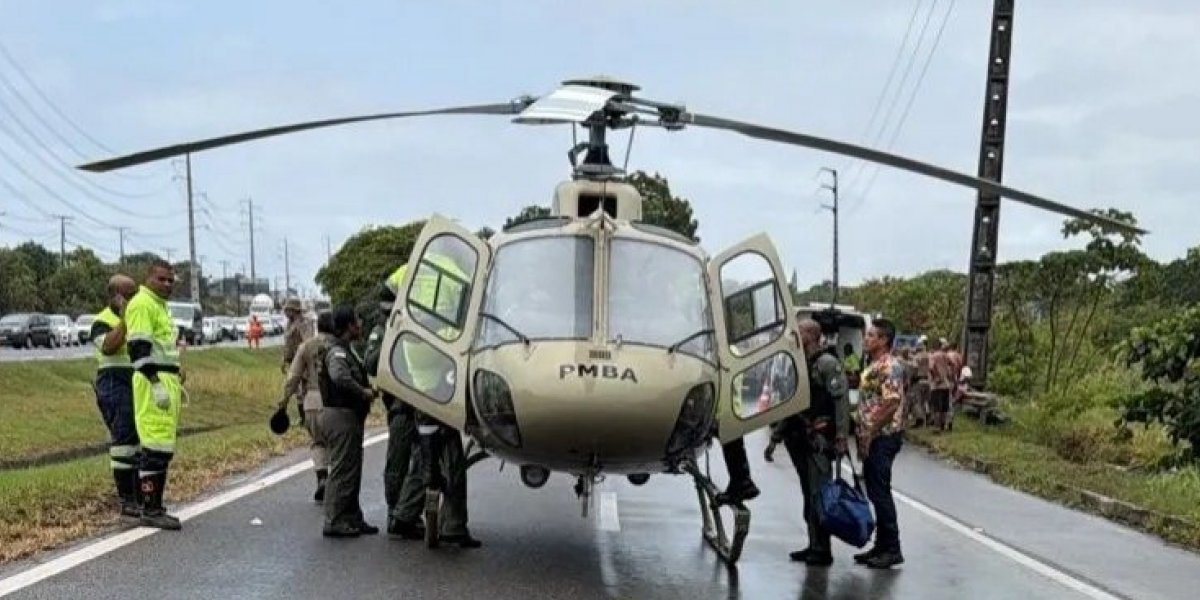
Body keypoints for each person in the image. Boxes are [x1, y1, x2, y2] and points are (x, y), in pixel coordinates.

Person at [390, 253, 482, 548]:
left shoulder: (409, 268)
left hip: (418, 372)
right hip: (439, 381)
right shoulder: (455, 269)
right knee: (452, 463)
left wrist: (407, 317)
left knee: (424, 461)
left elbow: (386, 292)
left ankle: (404, 515)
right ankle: (453, 526)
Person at [125, 260, 186, 530]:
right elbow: (138, 350)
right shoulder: (142, 304)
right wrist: (156, 382)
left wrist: (175, 374)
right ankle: (150, 508)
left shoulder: (159, 305)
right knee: (154, 447)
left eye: (171, 280)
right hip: (152, 382)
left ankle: (153, 505)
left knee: (163, 447)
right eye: (162, 279)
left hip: (165, 378)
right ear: (148, 278)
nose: (167, 284)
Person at [784, 318, 850, 566]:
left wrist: (841, 435)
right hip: (801, 437)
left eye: (799, 331)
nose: (795, 335)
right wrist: (778, 437)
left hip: (819, 440)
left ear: (811, 334)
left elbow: (840, 401)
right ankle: (813, 543)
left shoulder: (827, 364)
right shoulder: (802, 363)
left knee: (819, 493)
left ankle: (822, 549)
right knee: (808, 494)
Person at [363, 273, 424, 540]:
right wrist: (393, 336)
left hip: (426, 401)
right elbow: (371, 362)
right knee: (397, 461)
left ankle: (413, 512)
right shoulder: (381, 330)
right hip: (400, 405)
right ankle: (395, 511)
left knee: (427, 460)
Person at [318, 305, 378, 537]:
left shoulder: (348, 349)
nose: (361, 325)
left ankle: (352, 516)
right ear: (349, 326)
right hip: (340, 415)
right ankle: (333, 519)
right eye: (357, 321)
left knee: (352, 468)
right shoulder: (337, 353)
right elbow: (339, 376)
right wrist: (362, 392)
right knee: (342, 469)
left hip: (349, 417)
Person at [854, 318, 907, 568]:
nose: (867, 339)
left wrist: (871, 431)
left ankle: (893, 548)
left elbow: (892, 402)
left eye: (872, 335)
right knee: (874, 491)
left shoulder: (890, 366)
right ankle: (880, 546)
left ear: (884, 340)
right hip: (872, 435)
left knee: (880, 493)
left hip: (883, 437)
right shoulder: (873, 364)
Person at [90, 273, 141, 518]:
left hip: (137, 381)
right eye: (130, 295)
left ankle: (142, 494)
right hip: (113, 383)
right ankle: (127, 497)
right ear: (116, 296)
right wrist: (124, 320)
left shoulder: (139, 316)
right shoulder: (101, 321)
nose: (134, 299)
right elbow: (109, 345)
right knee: (124, 439)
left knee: (140, 439)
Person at [279, 310, 334, 503]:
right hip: (334, 403)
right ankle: (337, 485)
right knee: (338, 445)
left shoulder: (306, 347)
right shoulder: (338, 347)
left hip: (311, 400)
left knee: (317, 442)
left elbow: (293, 377)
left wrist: (284, 402)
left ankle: (322, 478)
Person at [282, 298, 313, 423]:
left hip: (302, 361)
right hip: (292, 360)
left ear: (293, 310)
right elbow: (287, 344)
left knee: (303, 390)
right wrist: (284, 359)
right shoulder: (289, 324)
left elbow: (307, 342)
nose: (285, 312)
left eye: (287, 310)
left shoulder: (304, 323)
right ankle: (303, 417)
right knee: (297, 390)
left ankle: (305, 417)